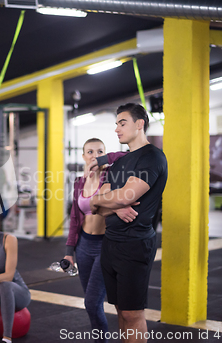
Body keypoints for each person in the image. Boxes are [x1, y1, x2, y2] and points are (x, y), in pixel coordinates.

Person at [89, 103, 168, 343]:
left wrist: (111, 200)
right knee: (120, 311)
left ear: (139, 124)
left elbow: (124, 196)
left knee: (133, 313)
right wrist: (113, 203)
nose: (116, 129)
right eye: (116, 124)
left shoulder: (151, 157)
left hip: (135, 244)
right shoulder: (119, 163)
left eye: (122, 123)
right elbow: (95, 207)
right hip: (111, 243)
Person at [63, 138, 132, 343]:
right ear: (83, 156)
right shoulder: (79, 182)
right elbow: (75, 218)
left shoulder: (112, 175)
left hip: (105, 245)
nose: (94, 155)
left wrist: (107, 158)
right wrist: (69, 251)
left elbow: (130, 156)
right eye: (90, 152)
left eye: (99, 151)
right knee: (92, 305)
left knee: (92, 303)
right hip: (84, 246)